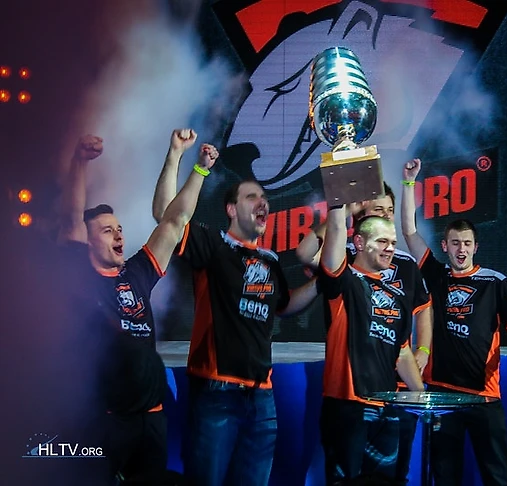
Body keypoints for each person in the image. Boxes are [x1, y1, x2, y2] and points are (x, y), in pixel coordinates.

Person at [152, 129, 319, 486]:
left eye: (265, 198)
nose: (263, 203)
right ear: (231, 209)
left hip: (263, 395)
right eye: (252, 196)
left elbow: (285, 305)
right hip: (217, 391)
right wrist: (179, 156)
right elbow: (166, 217)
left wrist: (325, 280)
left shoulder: (270, 259)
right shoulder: (213, 245)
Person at [57, 133, 217, 483]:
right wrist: (79, 161)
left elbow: (174, 222)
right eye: (106, 231)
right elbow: (70, 219)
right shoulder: (80, 277)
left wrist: (195, 167)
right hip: (105, 417)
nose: (118, 235)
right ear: (87, 242)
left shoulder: (137, 272)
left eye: (119, 229)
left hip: (151, 416)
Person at [401, 158, 507, 486]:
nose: (461, 249)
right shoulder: (436, 274)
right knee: (444, 476)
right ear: (444, 246)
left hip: (484, 396)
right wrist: (409, 182)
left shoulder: (495, 281)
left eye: (466, 243)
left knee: (497, 476)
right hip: (442, 394)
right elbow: (409, 231)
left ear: (476, 246)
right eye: (455, 243)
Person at [296, 183, 433, 483]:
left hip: (387, 404)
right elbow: (319, 245)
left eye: (393, 242)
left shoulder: (397, 290)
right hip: (348, 404)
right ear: (359, 241)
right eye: (383, 241)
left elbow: (401, 350)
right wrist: (342, 202)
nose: (390, 248)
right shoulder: (343, 277)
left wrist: (422, 398)